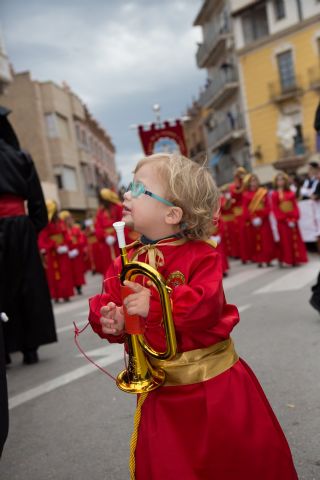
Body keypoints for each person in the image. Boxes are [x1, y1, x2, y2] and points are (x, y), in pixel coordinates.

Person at [88, 153, 297, 479]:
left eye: (140, 189)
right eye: (130, 185)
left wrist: (152, 304)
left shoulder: (202, 255)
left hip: (215, 389)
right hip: (162, 393)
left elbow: (203, 306)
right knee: (171, 467)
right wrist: (110, 320)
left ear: (172, 214)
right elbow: (110, 302)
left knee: (233, 462)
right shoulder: (126, 259)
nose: (127, 193)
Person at [0, 106, 57, 365]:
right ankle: (30, 348)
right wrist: (29, 228)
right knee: (27, 285)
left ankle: (5, 349)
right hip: (21, 227)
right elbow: (37, 202)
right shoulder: (21, 156)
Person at [38, 200, 75, 302]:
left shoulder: (60, 221)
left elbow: (65, 234)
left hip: (62, 252)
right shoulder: (46, 223)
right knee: (54, 275)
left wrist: (67, 245)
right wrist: (54, 245)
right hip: (53, 253)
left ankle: (66, 294)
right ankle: (57, 295)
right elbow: (43, 239)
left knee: (65, 273)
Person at [272, 172, 308, 267]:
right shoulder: (275, 194)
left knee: (295, 239)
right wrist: (285, 219)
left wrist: (294, 218)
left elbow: (295, 206)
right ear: (276, 182)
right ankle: (288, 259)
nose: (280, 181)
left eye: (282, 179)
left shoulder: (290, 192)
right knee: (286, 241)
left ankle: (297, 259)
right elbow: (275, 209)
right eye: (278, 180)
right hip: (283, 222)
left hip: (293, 220)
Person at [242, 173, 276, 267]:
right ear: (248, 183)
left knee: (267, 240)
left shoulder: (263, 192)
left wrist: (261, 216)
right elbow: (245, 209)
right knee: (257, 241)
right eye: (251, 181)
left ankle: (268, 260)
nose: (253, 183)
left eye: (255, 180)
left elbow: (268, 207)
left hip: (264, 220)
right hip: (253, 222)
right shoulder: (245, 195)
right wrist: (253, 218)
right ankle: (260, 260)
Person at [59, 210, 86, 295]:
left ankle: (79, 287)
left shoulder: (75, 228)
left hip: (76, 252)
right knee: (69, 271)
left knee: (77, 270)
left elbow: (81, 238)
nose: (69, 220)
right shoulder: (62, 230)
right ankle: (71, 287)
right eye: (67, 218)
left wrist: (77, 248)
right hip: (67, 253)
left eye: (70, 218)